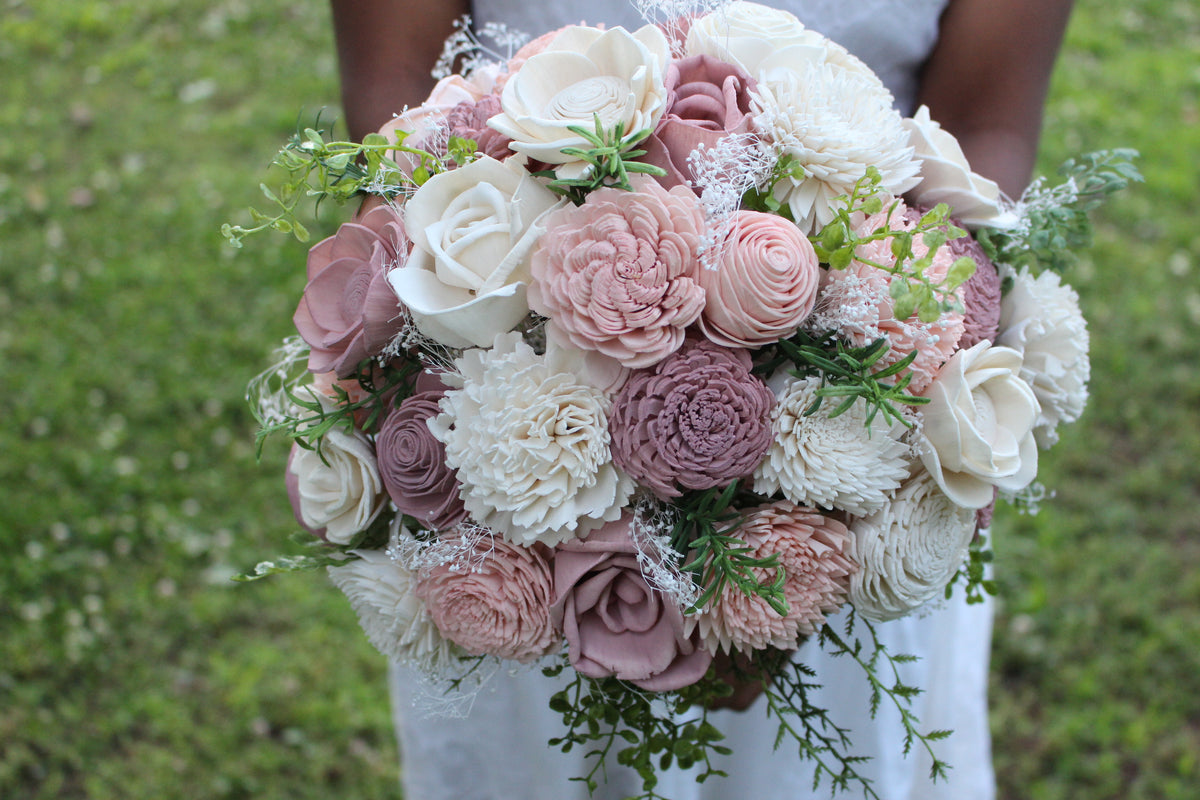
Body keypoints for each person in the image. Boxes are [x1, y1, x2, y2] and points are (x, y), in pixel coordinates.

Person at [328, 1, 1073, 797]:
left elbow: (988, 124)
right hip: (501, 475)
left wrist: (793, 558)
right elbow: (395, 95)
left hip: (862, 454)